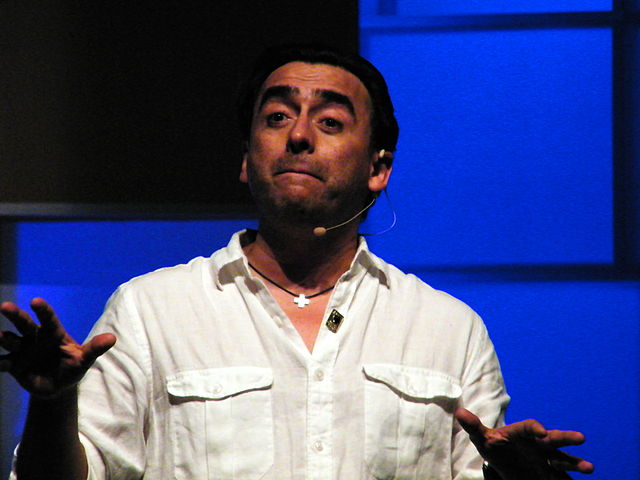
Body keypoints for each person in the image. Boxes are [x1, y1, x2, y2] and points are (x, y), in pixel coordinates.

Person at [0, 44, 594, 480]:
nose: (299, 135)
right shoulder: (151, 310)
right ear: (246, 159)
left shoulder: (449, 330)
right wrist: (51, 404)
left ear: (378, 168)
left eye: (330, 122)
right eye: (277, 117)